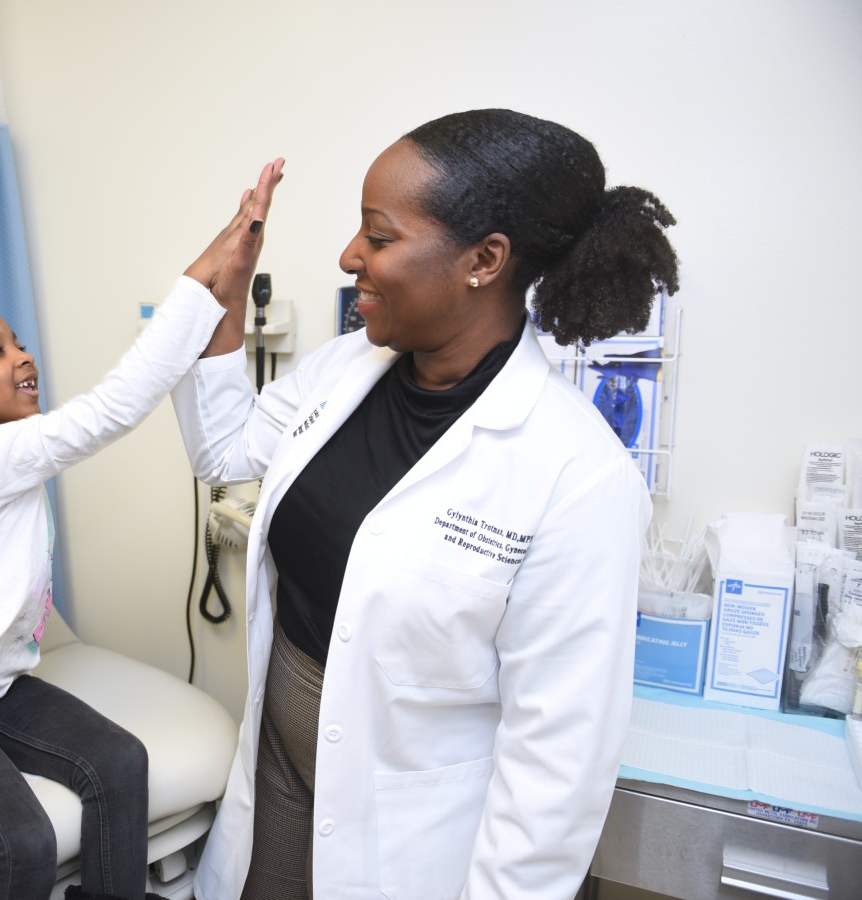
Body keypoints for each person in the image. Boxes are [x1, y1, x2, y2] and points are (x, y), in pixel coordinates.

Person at [171, 109, 679, 900]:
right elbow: (224, 450)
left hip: (409, 837)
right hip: (278, 763)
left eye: (379, 236)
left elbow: (556, 770)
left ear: (484, 260)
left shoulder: (577, 475)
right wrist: (219, 296)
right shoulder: (346, 369)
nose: (349, 257)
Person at [0, 157, 284, 900]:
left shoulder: (3, 455)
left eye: (18, 343)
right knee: (20, 841)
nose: (23, 357)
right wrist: (203, 271)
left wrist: (217, 280)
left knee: (119, 763)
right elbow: (112, 409)